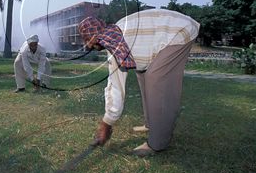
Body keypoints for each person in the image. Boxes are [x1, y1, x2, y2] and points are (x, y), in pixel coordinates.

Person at [78, 9, 199, 157]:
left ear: (94, 41)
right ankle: (151, 123)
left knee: (156, 79)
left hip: (179, 31)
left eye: (90, 43)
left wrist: (106, 123)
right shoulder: (116, 34)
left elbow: (116, 88)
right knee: (142, 74)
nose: (92, 48)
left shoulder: (115, 46)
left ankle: (157, 143)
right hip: (170, 32)